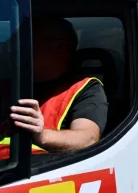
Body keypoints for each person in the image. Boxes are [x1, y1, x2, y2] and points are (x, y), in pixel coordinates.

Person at [2, 17, 108, 159]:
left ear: (59, 46)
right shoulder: (9, 85)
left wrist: (41, 134)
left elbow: (88, 138)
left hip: (40, 173)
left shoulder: (85, 89)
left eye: (26, 41)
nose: (15, 48)